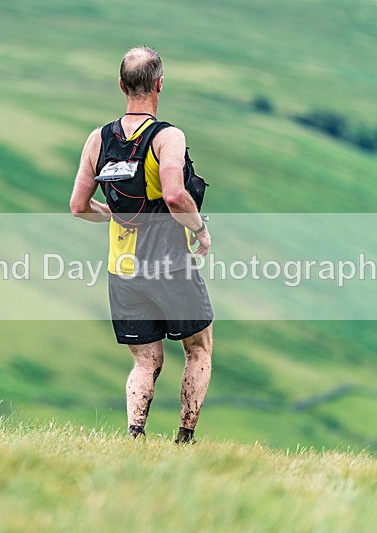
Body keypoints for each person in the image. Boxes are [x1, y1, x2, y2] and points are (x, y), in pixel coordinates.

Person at [69, 46, 213, 444]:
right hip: (171, 266)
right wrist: (200, 230)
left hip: (124, 271)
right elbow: (174, 195)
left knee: (146, 360)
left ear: (121, 85)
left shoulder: (98, 140)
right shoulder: (167, 136)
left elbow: (79, 207)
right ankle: (185, 438)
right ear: (159, 85)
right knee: (198, 349)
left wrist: (115, 217)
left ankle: (134, 436)